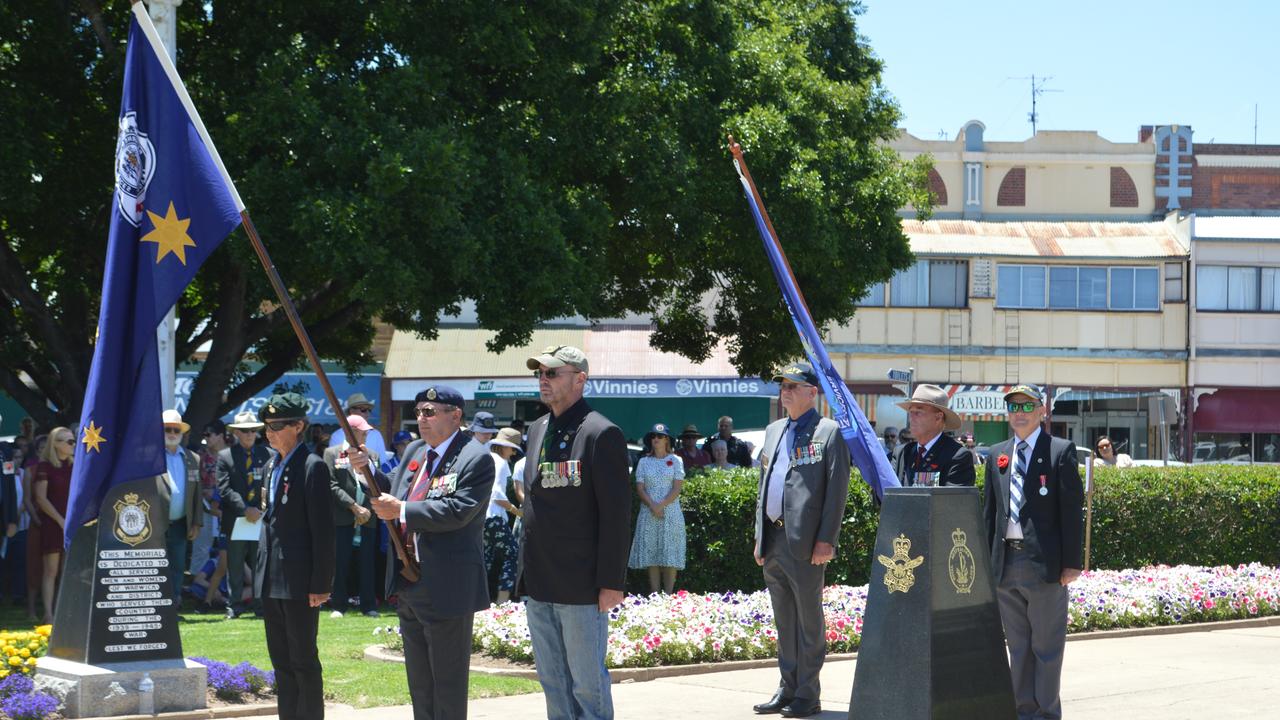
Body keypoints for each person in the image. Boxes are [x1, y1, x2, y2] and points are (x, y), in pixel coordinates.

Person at [352, 384, 492, 720]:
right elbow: (394, 485)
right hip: (410, 578)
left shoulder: (475, 457)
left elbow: (458, 510)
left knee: (447, 681)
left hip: (447, 584)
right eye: (418, 412)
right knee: (420, 682)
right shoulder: (417, 450)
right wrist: (367, 470)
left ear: (455, 415)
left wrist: (401, 510)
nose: (421, 419)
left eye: (430, 412)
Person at [517, 345, 631, 720]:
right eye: (540, 374)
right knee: (552, 679)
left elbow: (616, 516)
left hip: (581, 581)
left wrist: (611, 581)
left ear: (580, 379)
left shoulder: (601, 432)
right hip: (540, 578)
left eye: (552, 373)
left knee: (586, 682)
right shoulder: (536, 429)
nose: (543, 381)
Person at [751, 362, 850, 719]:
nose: (786, 391)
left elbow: (836, 491)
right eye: (783, 385)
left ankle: (808, 694)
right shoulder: (774, 429)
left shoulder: (829, 431)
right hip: (774, 537)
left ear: (812, 392)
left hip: (806, 543)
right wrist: (760, 535)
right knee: (784, 621)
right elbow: (763, 486)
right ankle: (787, 687)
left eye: (795, 385)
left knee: (809, 621)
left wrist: (827, 539)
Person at [983, 385, 1084, 720]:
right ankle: (1023, 711)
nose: (1020, 412)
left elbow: (1072, 511)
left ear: (1043, 410)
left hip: (1044, 566)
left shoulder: (1059, 450)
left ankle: (1047, 713)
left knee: (1046, 648)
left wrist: (1071, 563)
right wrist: (987, 563)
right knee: (1019, 647)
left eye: (1027, 406)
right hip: (1006, 563)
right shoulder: (997, 453)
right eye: (1013, 407)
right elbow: (990, 513)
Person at [253, 393, 335, 720]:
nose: (268, 433)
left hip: (300, 580)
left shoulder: (312, 466)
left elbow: (323, 531)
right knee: (281, 661)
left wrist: (321, 583)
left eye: (276, 426)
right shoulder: (272, 465)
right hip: (271, 576)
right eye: (266, 427)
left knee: (303, 659)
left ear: (298, 426)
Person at [218, 411, 272, 619]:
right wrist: (245, 509)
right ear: (236, 433)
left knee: (260, 562)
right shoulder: (225, 457)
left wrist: (260, 509)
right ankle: (235, 605)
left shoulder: (267, 454)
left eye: (252, 430)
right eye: (244, 430)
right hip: (237, 518)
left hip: (260, 516)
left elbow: (269, 485)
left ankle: (260, 605)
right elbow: (224, 489)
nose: (249, 434)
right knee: (235, 563)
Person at [324, 414, 378, 619]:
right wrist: (354, 507)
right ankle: (338, 605)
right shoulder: (332, 453)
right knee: (340, 562)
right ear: (350, 432)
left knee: (367, 562)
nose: (365, 435)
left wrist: (366, 510)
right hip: (342, 517)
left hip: (368, 517)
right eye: (361, 431)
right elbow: (331, 484)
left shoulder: (372, 455)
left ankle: (369, 605)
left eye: (366, 432)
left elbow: (377, 484)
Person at [628, 423, 686, 594]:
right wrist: (653, 506)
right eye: (653, 436)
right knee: (651, 555)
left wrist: (661, 505)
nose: (656, 439)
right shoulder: (644, 461)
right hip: (648, 512)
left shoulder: (676, 460)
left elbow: (677, 488)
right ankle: (654, 595)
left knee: (670, 555)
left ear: (667, 440)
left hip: (671, 513)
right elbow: (640, 488)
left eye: (660, 436)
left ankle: (668, 595)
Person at [892, 384, 975, 487]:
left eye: (918, 412)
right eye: (911, 412)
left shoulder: (957, 456)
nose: (911, 418)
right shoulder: (902, 453)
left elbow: (953, 500)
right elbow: (883, 495)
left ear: (938, 417)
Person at [33, 426, 75, 624]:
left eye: (73, 441)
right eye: (68, 441)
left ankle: (65, 611)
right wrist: (60, 520)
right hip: (52, 523)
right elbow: (40, 499)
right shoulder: (45, 466)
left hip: (72, 523)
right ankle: (48, 614)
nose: (72, 445)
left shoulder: (76, 466)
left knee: (69, 571)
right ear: (56, 444)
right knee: (51, 570)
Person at [161, 410, 204, 601]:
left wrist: (196, 522)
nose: (172, 433)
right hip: (155, 522)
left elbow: (197, 493)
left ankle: (174, 604)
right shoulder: (148, 457)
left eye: (176, 430)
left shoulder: (193, 458)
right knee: (157, 566)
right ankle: (158, 606)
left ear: (181, 434)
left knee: (178, 566)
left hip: (180, 523)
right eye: (167, 429)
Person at [483, 427, 523, 604]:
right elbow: (497, 495)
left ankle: (480, 603)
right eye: (512, 448)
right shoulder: (500, 463)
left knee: (486, 559)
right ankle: (502, 602)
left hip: (480, 518)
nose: (513, 453)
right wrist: (517, 511)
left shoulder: (486, 458)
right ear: (503, 447)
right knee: (512, 555)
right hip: (494, 517)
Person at [191, 420, 227, 582]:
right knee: (201, 546)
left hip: (226, 509)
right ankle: (196, 583)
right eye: (204, 435)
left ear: (220, 435)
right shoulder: (200, 455)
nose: (206, 438)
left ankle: (223, 585)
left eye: (209, 435)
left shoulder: (232, 454)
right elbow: (193, 481)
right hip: (204, 508)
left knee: (226, 549)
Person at [328, 393, 388, 459]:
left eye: (369, 410)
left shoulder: (376, 434)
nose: (367, 413)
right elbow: (334, 463)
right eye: (363, 410)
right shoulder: (337, 436)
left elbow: (382, 461)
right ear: (351, 411)